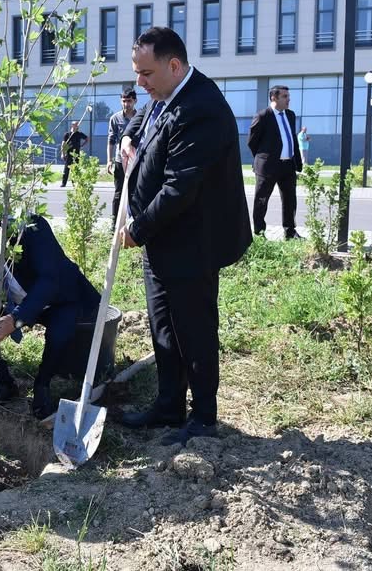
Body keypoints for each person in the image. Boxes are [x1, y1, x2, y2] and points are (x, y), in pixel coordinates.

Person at [117, 27, 251, 446]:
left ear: (174, 66)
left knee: (193, 329)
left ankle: (204, 418)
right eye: (136, 72)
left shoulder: (201, 108)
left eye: (146, 73)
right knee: (163, 327)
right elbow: (145, 119)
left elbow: (179, 188)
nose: (140, 83)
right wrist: (127, 135)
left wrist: (137, 229)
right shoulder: (165, 95)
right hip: (163, 242)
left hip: (192, 242)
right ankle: (169, 404)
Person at [0, 205, 101, 420]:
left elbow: (49, 282)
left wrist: (15, 319)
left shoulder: (30, 228)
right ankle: (3, 382)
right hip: (12, 300)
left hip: (59, 298)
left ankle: (43, 384)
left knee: (60, 332)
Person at [247, 85, 303, 240]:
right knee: (262, 200)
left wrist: (297, 162)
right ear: (274, 98)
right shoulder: (263, 116)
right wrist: (263, 159)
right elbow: (252, 142)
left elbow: (292, 139)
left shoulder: (290, 115)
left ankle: (290, 232)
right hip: (268, 167)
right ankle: (259, 233)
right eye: (285, 96)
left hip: (287, 166)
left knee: (290, 200)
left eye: (288, 96)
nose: (288, 99)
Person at [107, 86, 139, 227]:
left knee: (137, 192)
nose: (127, 104)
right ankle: (115, 225)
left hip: (136, 161)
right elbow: (111, 141)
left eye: (129, 101)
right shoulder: (115, 119)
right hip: (120, 162)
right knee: (119, 193)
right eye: (124, 101)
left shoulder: (140, 117)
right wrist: (109, 160)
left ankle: (135, 225)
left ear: (135, 101)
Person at [60, 121, 87, 187]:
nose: (77, 126)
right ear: (72, 126)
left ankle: (74, 183)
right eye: (76, 125)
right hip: (69, 154)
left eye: (78, 125)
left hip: (76, 154)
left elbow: (87, 139)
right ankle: (63, 183)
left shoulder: (79, 134)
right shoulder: (67, 134)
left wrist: (82, 145)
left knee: (75, 169)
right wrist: (63, 154)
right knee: (66, 169)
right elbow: (63, 144)